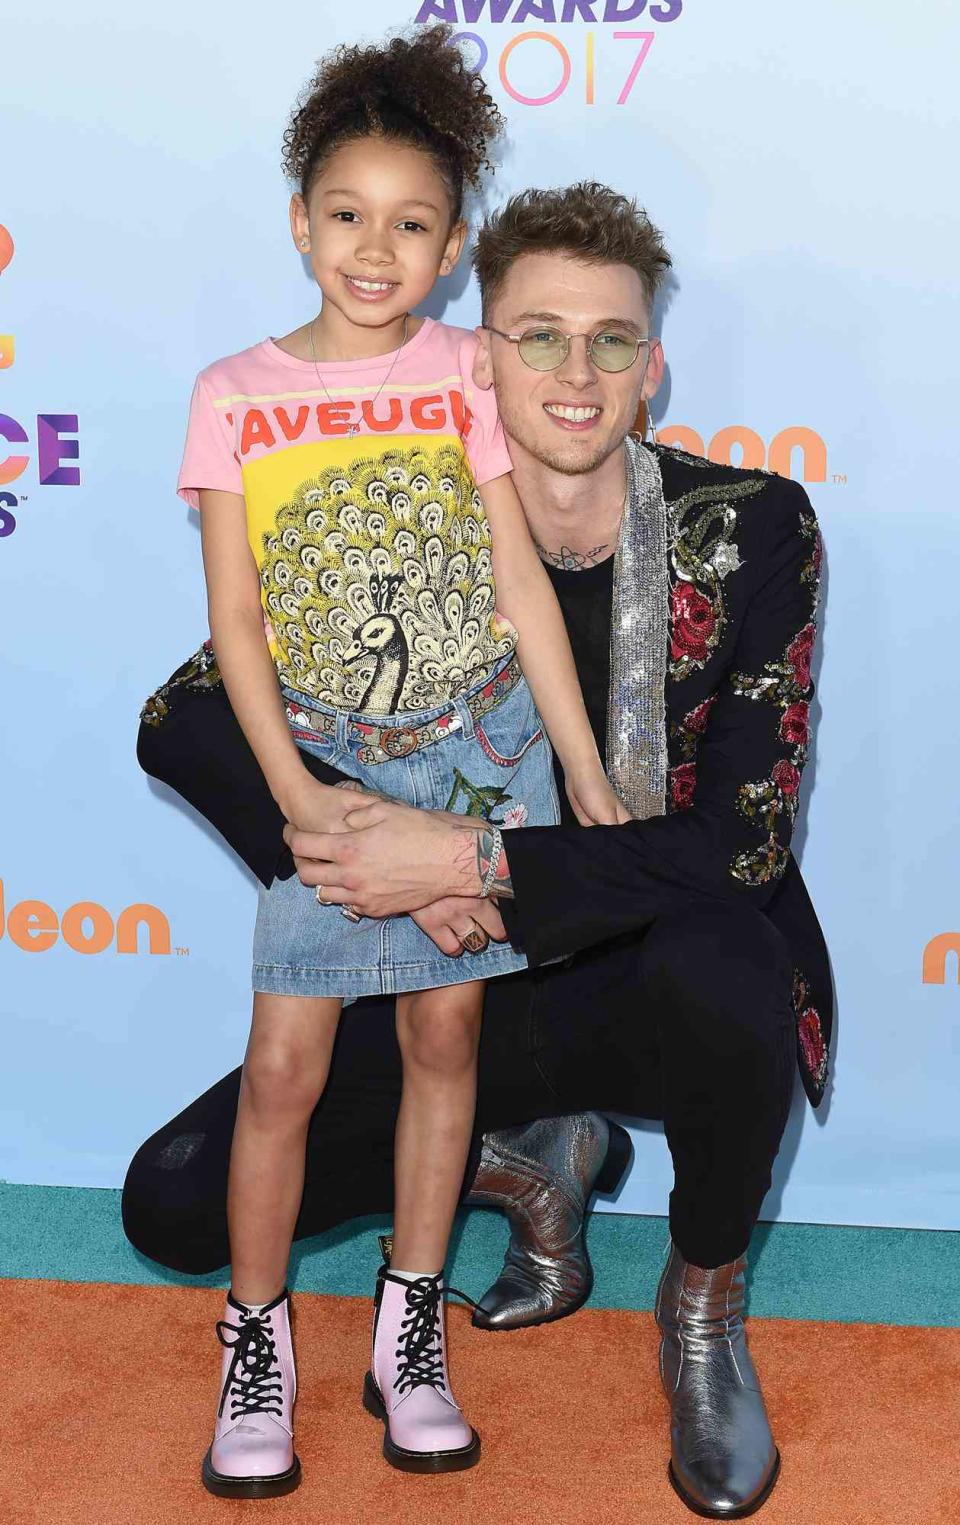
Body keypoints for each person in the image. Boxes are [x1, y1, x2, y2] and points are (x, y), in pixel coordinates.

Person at [126, 181, 831, 1520]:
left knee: (738, 964)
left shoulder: (751, 529)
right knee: (174, 1201)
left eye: (611, 340)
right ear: (470, 350)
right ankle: (532, 1156)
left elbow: (740, 843)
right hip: (456, 991)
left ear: (652, 362)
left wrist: (467, 863)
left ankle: (701, 1303)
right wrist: (352, 835)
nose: (575, 374)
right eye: (538, 335)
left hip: (635, 964)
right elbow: (185, 717)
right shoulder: (404, 504)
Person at [172, 26, 629, 1498]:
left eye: (414, 223)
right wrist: (306, 801)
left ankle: (408, 1329)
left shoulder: (460, 374)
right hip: (333, 762)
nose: (377, 248)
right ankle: (257, 1345)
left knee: (448, 1044)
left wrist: (585, 780)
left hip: (482, 750)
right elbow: (236, 623)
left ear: (449, 249)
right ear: (301, 219)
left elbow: (514, 585)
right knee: (286, 1069)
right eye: (349, 214)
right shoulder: (234, 391)